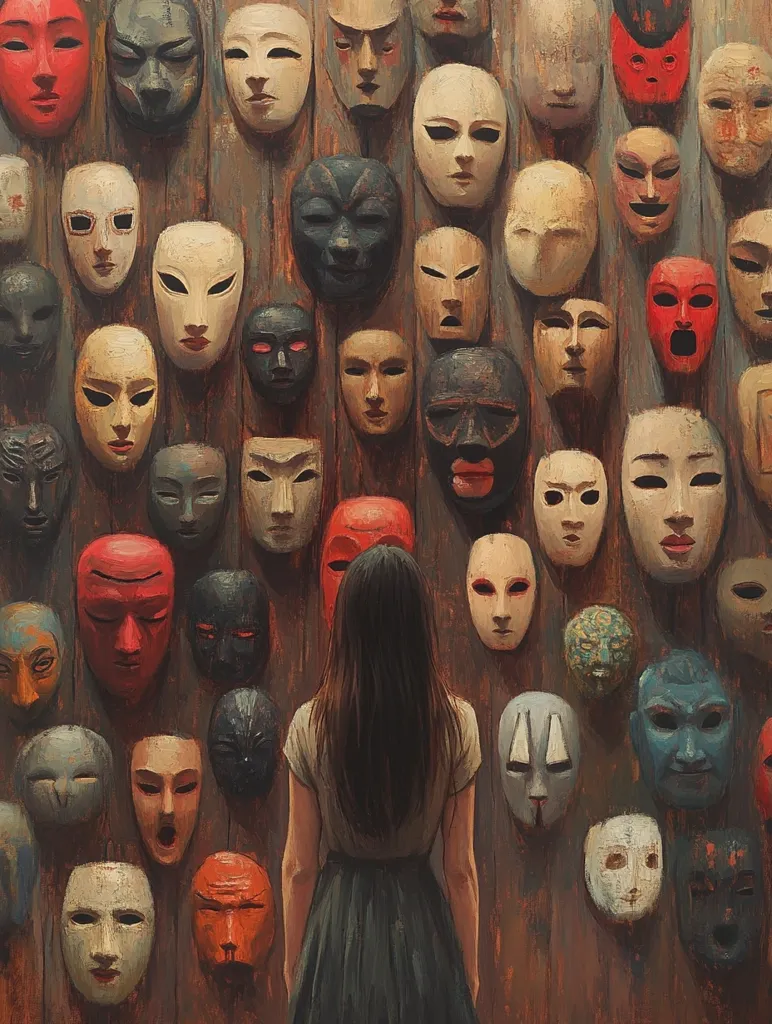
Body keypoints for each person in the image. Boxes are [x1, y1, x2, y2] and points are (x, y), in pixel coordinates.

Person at [282, 545, 481, 1023]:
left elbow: (298, 867)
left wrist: (294, 966)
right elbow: (460, 872)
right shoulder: (456, 724)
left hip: (336, 939)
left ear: (347, 626)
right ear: (418, 626)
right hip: (421, 934)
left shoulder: (311, 724)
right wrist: (469, 975)